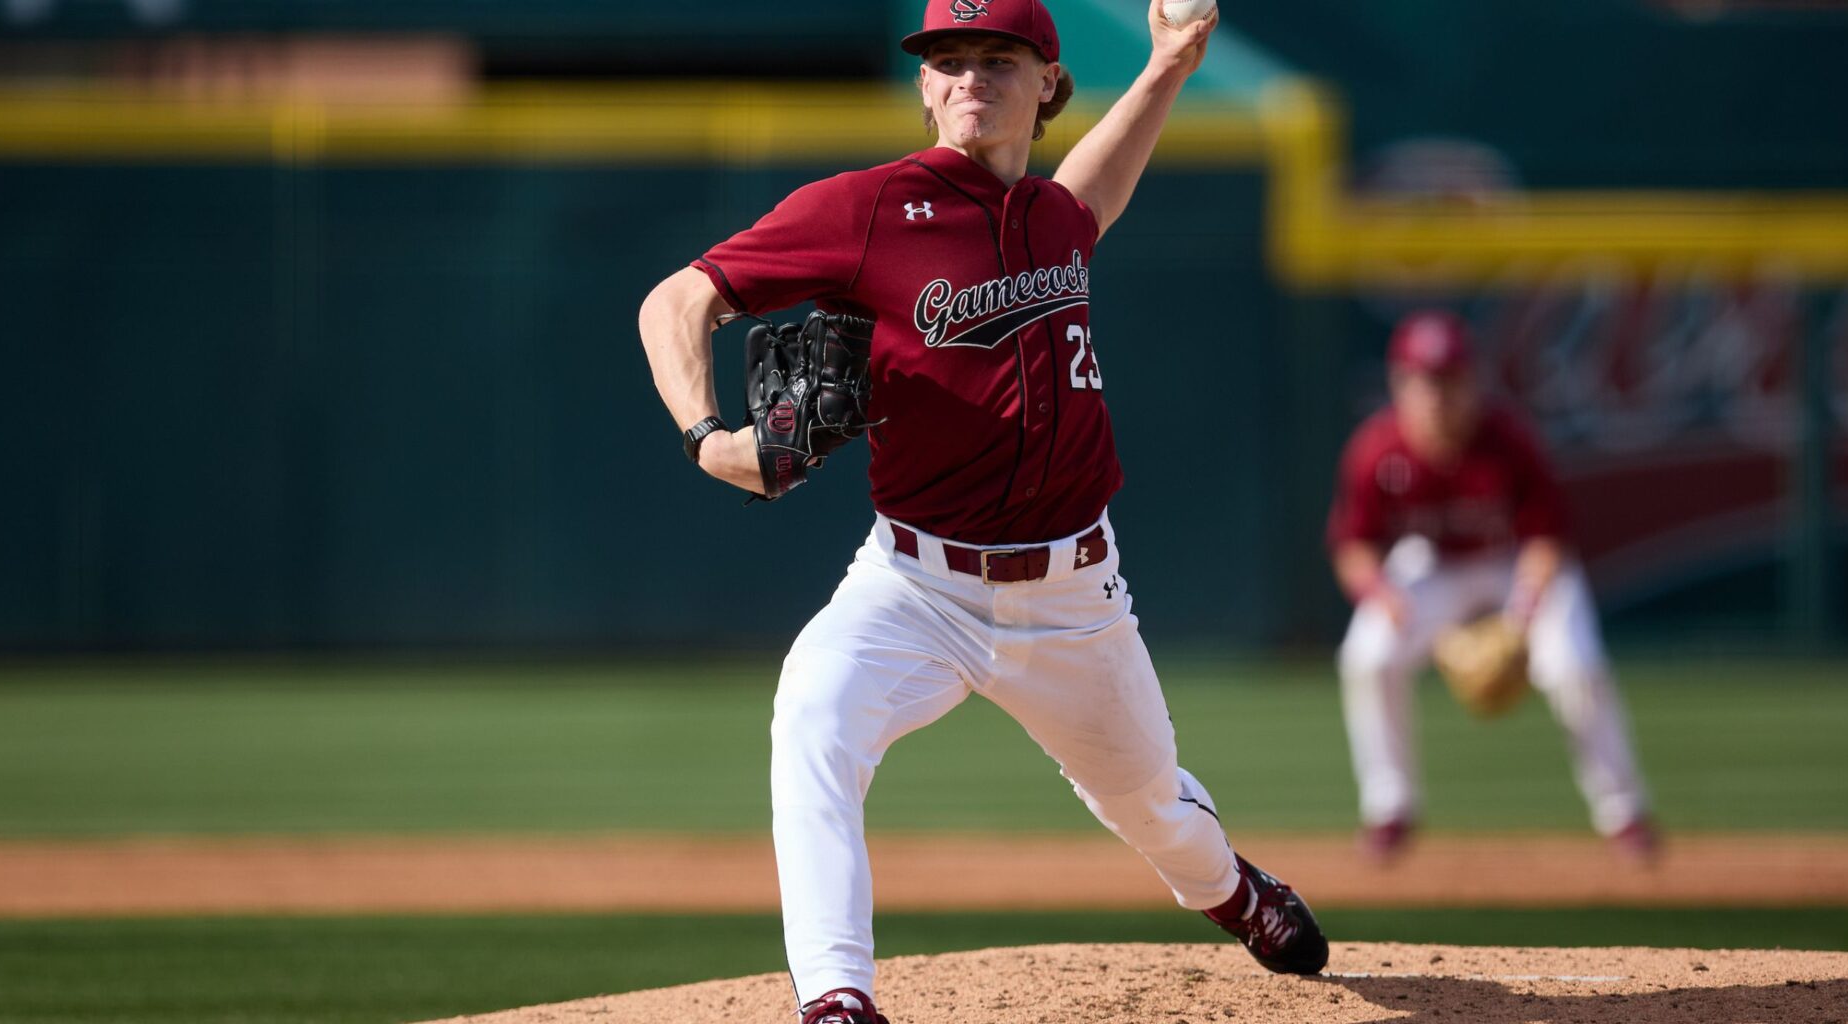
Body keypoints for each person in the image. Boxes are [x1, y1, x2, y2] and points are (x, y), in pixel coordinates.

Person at [639, 1, 1328, 1021]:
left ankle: (1233, 891)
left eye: (996, 59)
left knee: (1148, 806)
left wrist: (1169, 66)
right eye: (948, 59)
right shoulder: (865, 207)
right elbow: (675, 300)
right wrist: (709, 438)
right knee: (813, 717)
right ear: (922, 87)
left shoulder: (1052, 216)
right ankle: (835, 995)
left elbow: (1095, 189)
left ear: (1048, 84)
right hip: (914, 584)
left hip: (1074, 595)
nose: (969, 77)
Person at [1327, 309, 1659, 864]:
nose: (1440, 396)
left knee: (1574, 666)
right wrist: (1387, 601)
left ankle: (1624, 812)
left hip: (1514, 567)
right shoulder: (1377, 450)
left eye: (1451, 379)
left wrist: (1521, 620)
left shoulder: (1508, 439)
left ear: (1473, 380)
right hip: (1430, 568)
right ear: (1400, 385)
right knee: (1369, 657)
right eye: (1426, 381)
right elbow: (1353, 549)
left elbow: (1547, 540)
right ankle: (1390, 808)